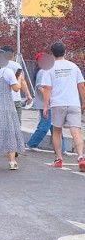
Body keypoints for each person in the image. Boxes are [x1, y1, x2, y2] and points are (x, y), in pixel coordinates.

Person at [41, 42, 85, 171]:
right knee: (76, 130)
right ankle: (81, 157)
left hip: (57, 103)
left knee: (57, 131)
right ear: (65, 51)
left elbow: (47, 89)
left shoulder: (49, 68)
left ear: (52, 53)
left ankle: (59, 159)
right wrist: (84, 102)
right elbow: (81, 85)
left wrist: (45, 106)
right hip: (73, 103)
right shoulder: (73, 66)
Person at [25, 52, 56, 150]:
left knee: (54, 127)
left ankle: (61, 148)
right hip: (46, 104)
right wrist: (49, 99)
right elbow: (40, 87)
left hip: (46, 103)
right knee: (45, 126)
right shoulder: (43, 71)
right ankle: (31, 144)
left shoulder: (43, 70)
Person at [0, 45, 33, 122]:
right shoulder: (16, 66)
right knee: (16, 125)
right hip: (15, 99)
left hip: (2, 99)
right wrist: (28, 95)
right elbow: (22, 80)